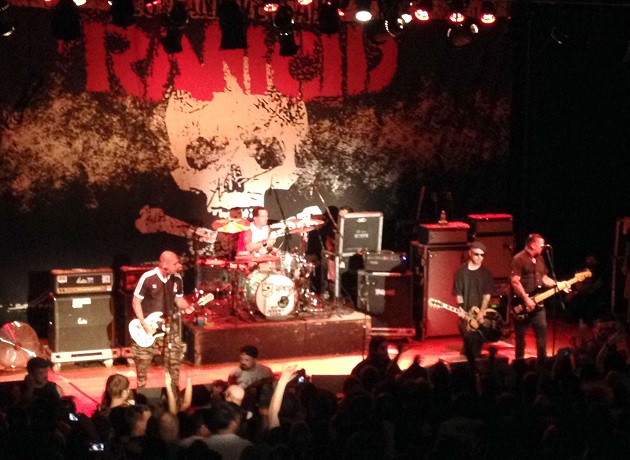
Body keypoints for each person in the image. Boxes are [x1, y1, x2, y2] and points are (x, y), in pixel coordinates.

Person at [132, 250, 193, 394]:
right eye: (175, 263)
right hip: (148, 326)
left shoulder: (177, 279)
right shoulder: (148, 278)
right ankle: (141, 392)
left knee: (174, 359)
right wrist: (144, 324)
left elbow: (178, 299)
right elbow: (136, 302)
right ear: (165, 265)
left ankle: (173, 392)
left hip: (168, 325)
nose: (179, 266)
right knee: (143, 361)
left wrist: (187, 306)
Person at [510, 233, 558, 363]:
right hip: (522, 304)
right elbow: (515, 282)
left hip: (538, 305)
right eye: (541, 244)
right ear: (533, 245)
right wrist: (526, 299)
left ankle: (542, 363)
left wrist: (558, 284)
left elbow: (544, 278)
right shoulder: (519, 259)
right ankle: (519, 363)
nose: (543, 247)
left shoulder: (540, 259)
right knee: (520, 338)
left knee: (542, 335)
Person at [453, 241, 494, 365]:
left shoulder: (486, 273)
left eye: (482, 255)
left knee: (474, 346)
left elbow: (487, 296)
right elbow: (459, 294)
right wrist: (460, 308)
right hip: (465, 314)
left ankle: (468, 364)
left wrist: (482, 312)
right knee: (470, 341)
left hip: (480, 314)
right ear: (470, 253)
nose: (479, 258)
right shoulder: (461, 272)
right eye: (477, 254)